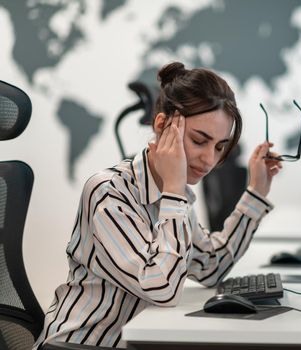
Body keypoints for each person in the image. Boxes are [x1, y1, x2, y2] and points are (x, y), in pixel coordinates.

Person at [34, 62, 282, 349]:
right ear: (162, 124)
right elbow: (162, 287)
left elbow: (212, 266)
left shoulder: (175, 196)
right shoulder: (108, 193)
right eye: (199, 140)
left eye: (218, 147)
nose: (209, 160)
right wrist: (175, 191)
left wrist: (256, 192)